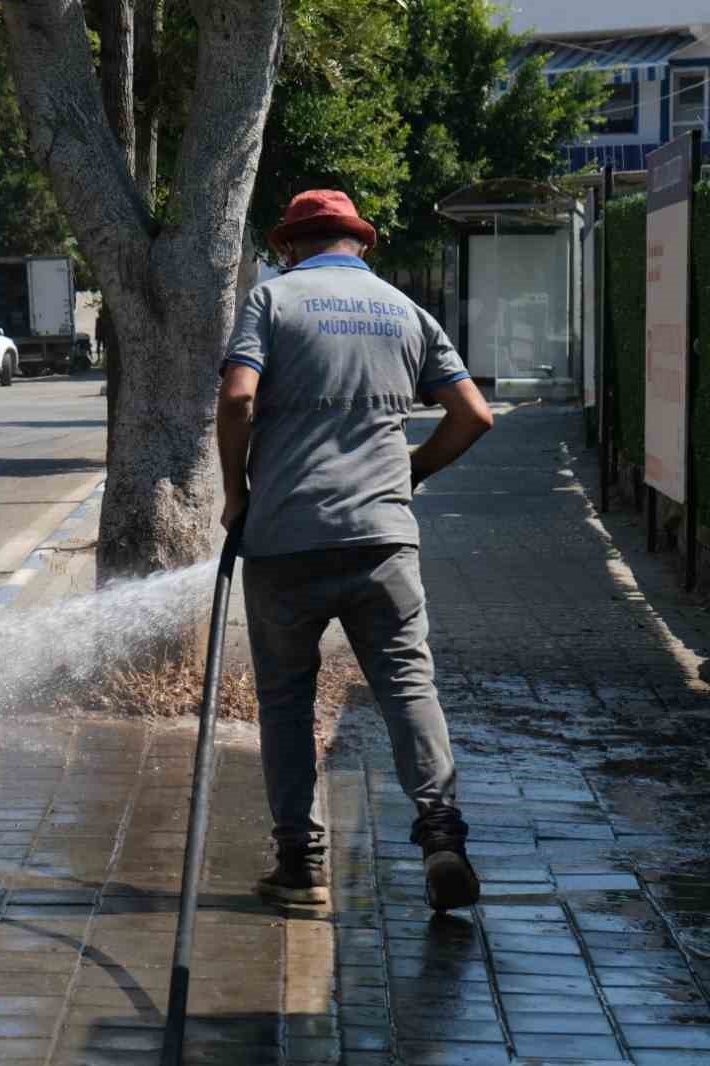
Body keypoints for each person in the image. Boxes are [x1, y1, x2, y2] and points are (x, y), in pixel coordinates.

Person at [216, 189, 495, 912]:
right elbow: (474, 415)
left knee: (285, 703)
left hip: (285, 542)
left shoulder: (271, 303)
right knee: (408, 688)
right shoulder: (407, 313)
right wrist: (412, 471)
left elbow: (238, 398)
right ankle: (442, 837)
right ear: (361, 244)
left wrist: (236, 495)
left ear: (289, 245)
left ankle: (300, 866)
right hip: (383, 543)